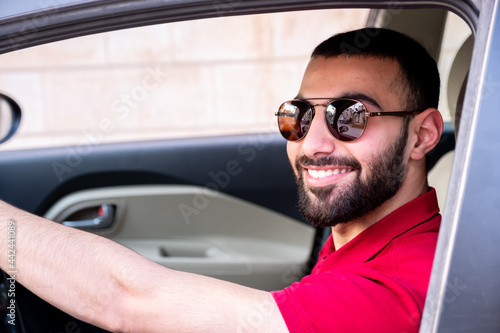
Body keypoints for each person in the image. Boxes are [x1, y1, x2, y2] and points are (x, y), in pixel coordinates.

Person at [0, 27, 443, 332]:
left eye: (351, 118)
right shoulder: (369, 240)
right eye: (300, 116)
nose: (313, 144)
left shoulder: (401, 289)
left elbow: (125, 300)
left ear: (421, 135)